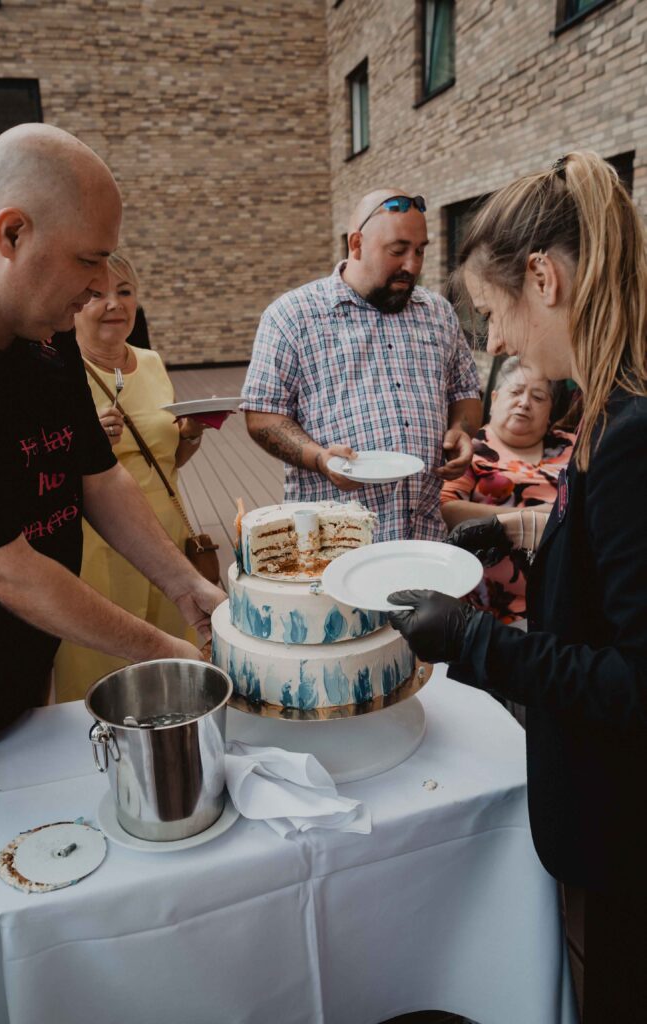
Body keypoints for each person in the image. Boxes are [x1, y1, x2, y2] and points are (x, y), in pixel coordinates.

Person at [386, 152, 647, 1020]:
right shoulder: (608, 406)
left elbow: (632, 679)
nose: (491, 342)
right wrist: (526, 536)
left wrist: (469, 643)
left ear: (544, 278)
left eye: (492, 313)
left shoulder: (628, 434)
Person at [0, 124, 224, 766]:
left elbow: (98, 475)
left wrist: (186, 585)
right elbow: (2, 568)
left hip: (22, 686)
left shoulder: (47, 344)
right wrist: (165, 651)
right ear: (12, 234)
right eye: (88, 260)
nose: (100, 285)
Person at [241, 190, 482, 541]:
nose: (412, 265)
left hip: (425, 536)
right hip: (336, 541)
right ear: (356, 244)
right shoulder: (292, 315)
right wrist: (319, 457)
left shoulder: (438, 313)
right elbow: (262, 415)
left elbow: (465, 393)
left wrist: (461, 431)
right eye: (397, 251)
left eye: (420, 250)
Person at [53, 251, 210, 702]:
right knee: (101, 675)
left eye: (124, 292)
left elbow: (168, 460)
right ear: (77, 300)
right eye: (98, 293)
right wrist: (86, 441)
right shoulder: (59, 371)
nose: (113, 304)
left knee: (170, 667)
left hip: (166, 538)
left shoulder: (153, 362)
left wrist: (193, 433)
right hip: (97, 550)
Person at [440, 356, 574, 622]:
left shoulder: (573, 446)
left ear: (550, 412)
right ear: (495, 398)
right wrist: (538, 519)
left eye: (538, 397)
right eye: (516, 392)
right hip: (490, 612)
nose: (524, 403)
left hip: (568, 606)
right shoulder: (471, 450)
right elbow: (446, 509)